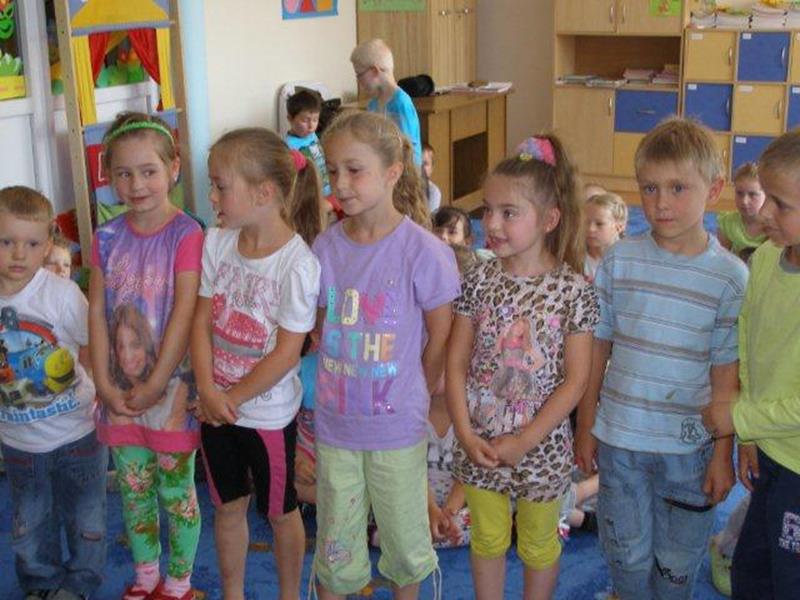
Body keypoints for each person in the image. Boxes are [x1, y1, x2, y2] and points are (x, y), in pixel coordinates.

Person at [575, 117, 748, 600]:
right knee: (625, 555)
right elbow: (598, 346)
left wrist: (723, 454)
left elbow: (726, 372)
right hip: (621, 439)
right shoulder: (619, 260)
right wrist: (586, 424)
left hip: (689, 450)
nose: (661, 202)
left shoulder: (730, 277)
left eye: (678, 188)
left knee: (676, 564)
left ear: (714, 189)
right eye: (649, 188)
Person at [312, 110, 460, 599]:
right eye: (333, 170)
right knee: (336, 547)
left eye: (355, 170)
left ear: (392, 172)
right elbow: (320, 326)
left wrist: (419, 386)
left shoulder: (422, 251)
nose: (341, 183)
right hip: (336, 425)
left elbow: (441, 332)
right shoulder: (325, 248)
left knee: (404, 544)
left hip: (396, 427)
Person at [448, 135, 599, 600]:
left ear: (549, 219)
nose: (491, 223)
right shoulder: (478, 277)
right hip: (480, 444)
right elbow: (456, 363)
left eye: (508, 213)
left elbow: (575, 381)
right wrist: (465, 433)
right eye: (487, 210)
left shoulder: (574, 291)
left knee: (539, 545)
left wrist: (524, 441)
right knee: (487, 540)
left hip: (542, 448)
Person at [191, 128, 321, 600]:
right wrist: (208, 389)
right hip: (215, 408)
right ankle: (233, 593)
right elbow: (201, 321)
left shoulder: (297, 265)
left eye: (220, 186)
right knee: (227, 506)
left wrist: (230, 397)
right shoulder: (216, 242)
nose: (212, 196)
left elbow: (287, 352)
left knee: (280, 512)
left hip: (266, 417)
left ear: (264, 193)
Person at [89, 112, 203, 600]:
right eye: (124, 173)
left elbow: (185, 312)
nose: (136, 185)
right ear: (109, 177)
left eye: (148, 171)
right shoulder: (105, 238)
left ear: (174, 169)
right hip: (120, 394)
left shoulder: (187, 234)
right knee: (134, 489)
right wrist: (103, 381)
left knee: (176, 493)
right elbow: (97, 312)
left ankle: (178, 581)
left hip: (169, 393)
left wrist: (157, 382)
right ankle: (146, 575)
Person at [701, 131, 800, 600]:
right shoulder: (763, 259)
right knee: (752, 570)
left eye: (780, 204)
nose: (762, 214)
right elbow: (748, 339)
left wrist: (740, 419)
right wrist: (751, 437)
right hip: (769, 450)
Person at [0, 186, 107, 600]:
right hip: (18, 441)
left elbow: (92, 341)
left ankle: (80, 583)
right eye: (6, 242)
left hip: (77, 434)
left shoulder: (60, 294)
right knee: (29, 523)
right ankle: (40, 583)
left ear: (47, 245)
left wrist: (96, 385)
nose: (18, 254)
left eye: (31, 244)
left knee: (86, 519)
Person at [351, 39, 423, 166]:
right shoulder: (372, 104)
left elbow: (408, 148)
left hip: (405, 171)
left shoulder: (401, 103)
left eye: (359, 75)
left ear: (374, 71)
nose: (358, 80)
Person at [285, 88, 343, 220]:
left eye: (315, 120)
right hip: (313, 195)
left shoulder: (311, 135)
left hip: (328, 187)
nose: (311, 126)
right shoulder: (289, 146)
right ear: (290, 119)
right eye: (305, 120)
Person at [717, 162, 767, 262]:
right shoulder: (728, 223)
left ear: (766, 194)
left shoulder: (774, 225)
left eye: (752, 195)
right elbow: (720, 260)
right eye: (739, 193)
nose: (744, 201)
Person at [584, 192, 627, 282]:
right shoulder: (574, 257)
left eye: (599, 224)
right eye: (586, 223)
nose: (590, 229)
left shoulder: (628, 260)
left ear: (619, 227)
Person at [422, 142, 442, 212]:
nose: (421, 167)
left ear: (432, 168)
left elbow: (429, 217)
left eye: (425, 163)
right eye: (417, 162)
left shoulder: (434, 192)